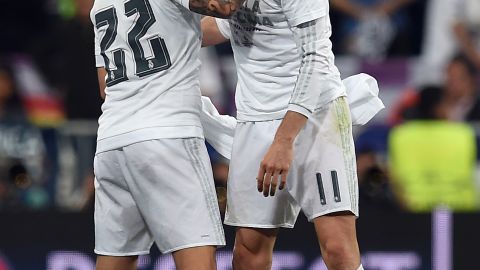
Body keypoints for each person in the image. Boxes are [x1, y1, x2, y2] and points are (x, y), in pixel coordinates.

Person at [202, 0, 363, 269]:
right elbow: (226, 24)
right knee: (247, 252)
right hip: (255, 117)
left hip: (316, 115)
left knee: (338, 248)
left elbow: (316, 60)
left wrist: (283, 140)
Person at [90, 0, 244, 269]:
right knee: (196, 255)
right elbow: (221, 6)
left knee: (115, 260)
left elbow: (105, 84)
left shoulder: (100, 4)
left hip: (112, 142)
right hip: (168, 136)